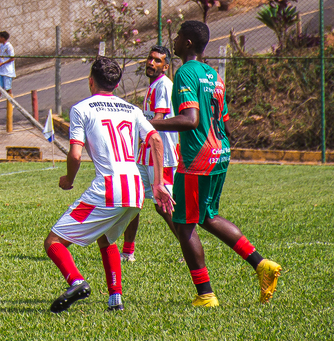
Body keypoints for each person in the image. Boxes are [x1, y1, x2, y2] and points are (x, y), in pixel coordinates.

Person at [148, 20, 282, 307]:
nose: (174, 39)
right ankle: (262, 265)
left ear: (187, 42)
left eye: (178, 35)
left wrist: (149, 123)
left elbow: (190, 120)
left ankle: (206, 294)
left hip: (197, 158)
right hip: (220, 152)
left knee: (184, 225)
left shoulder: (186, 72)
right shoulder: (213, 74)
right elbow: (224, 121)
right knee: (208, 216)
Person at [43, 57, 173, 313]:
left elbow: (75, 155)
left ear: (90, 81)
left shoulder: (82, 109)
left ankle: (77, 282)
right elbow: (156, 140)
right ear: (116, 83)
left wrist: (68, 180)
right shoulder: (131, 109)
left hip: (108, 189)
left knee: (53, 242)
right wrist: (158, 183)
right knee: (106, 238)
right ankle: (115, 299)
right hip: (135, 188)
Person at [121, 44, 179, 262]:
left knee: (163, 206)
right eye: (150, 58)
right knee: (132, 202)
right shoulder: (154, 85)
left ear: (165, 66)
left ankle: (189, 248)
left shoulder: (164, 85)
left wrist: (134, 125)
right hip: (144, 155)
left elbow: (158, 120)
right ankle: (127, 252)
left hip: (161, 156)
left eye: (157, 60)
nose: (151, 63)